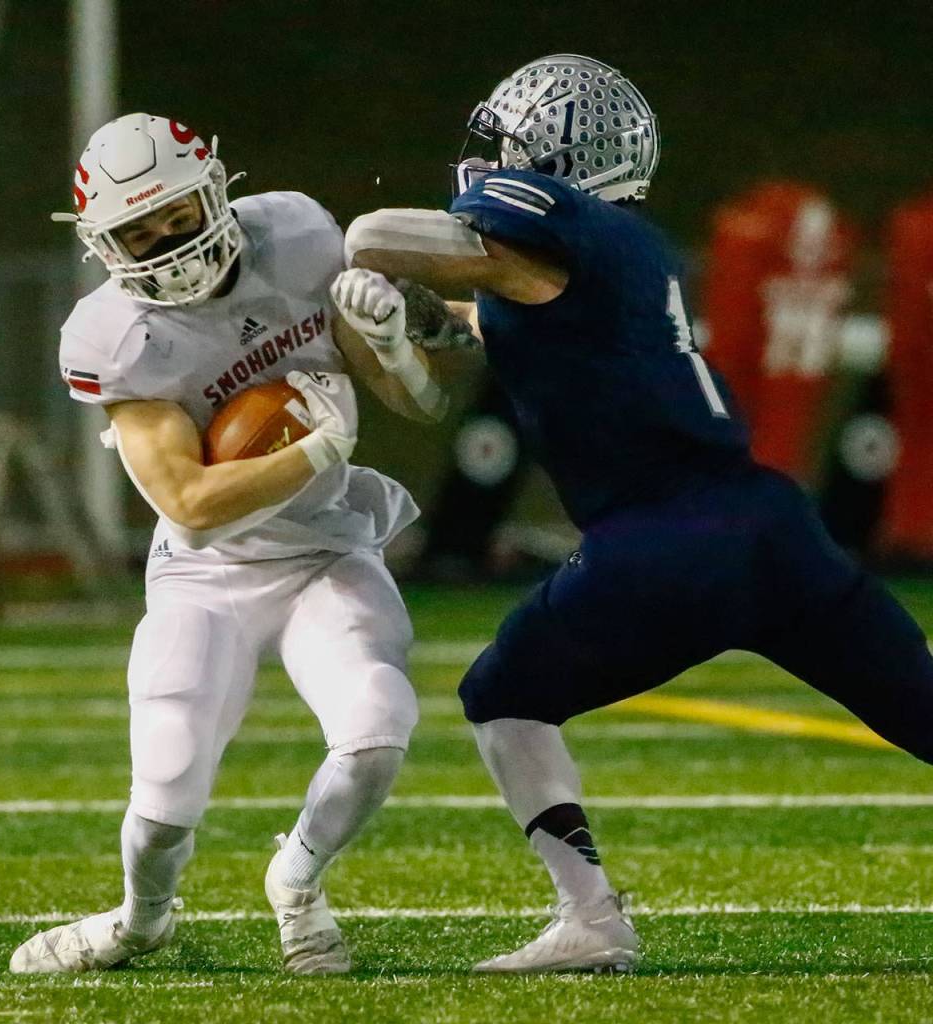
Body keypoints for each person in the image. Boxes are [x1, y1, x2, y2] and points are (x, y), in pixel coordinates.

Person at [329, 54, 933, 974]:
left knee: (504, 696)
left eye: (507, 147)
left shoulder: (568, 224)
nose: (486, 160)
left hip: (663, 538)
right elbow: (496, 322)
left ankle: (591, 917)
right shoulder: (599, 260)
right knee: (921, 708)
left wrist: (351, 261)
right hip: (768, 525)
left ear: (548, 159)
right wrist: (419, 314)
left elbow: (376, 233)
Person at [9, 113, 448, 976]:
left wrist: (395, 348)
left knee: (378, 723)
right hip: (208, 573)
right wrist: (318, 448)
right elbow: (192, 506)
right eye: (139, 233)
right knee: (166, 780)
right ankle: (141, 921)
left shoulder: (299, 237)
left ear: (215, 192)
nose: (166, 245)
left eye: (176, 216)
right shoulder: (115, 337)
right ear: (105, 246)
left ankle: (297, 880)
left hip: (325, 548)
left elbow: (423, 406)